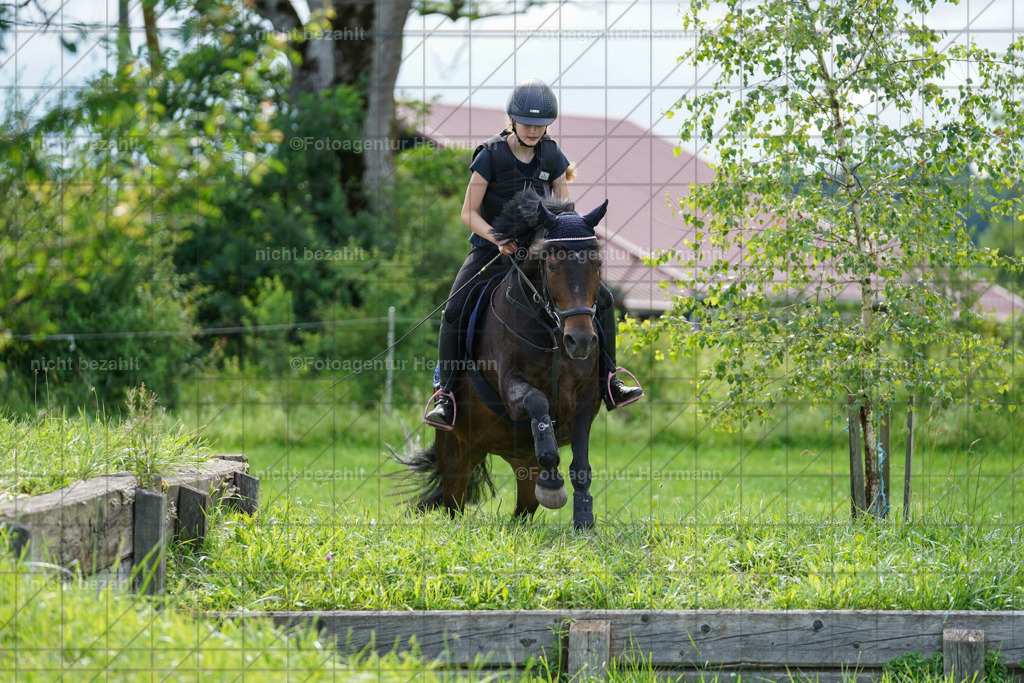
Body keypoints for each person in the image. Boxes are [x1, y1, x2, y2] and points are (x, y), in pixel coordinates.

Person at [423, 78, 643, 429]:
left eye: (540, 125)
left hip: (541, 257)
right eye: (526, 123)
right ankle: (446, 395)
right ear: (512, 120)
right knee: (453, 311)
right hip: (490, 250)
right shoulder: (490, 156)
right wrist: (497, 238)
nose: (533, 130)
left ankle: (610, 380)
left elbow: (566, 212)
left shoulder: (553, 156)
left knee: (601, 300)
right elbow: (468, 212)